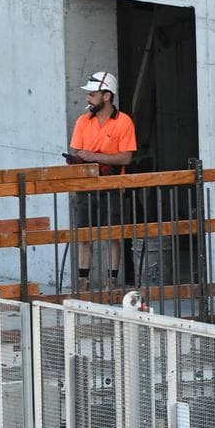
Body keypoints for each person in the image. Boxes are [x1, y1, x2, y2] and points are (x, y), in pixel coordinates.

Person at [67, 71, 137, 293]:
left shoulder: (124, 122)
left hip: (112, 185)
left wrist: (95, 156)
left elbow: (126, 157)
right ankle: (84, 283)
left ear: (107, 96)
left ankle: (111, 282)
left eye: (93, 94)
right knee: (84, 234)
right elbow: (77, 151)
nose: (88, 98)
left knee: (112, 234)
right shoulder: (83, 121)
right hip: (85, 185)